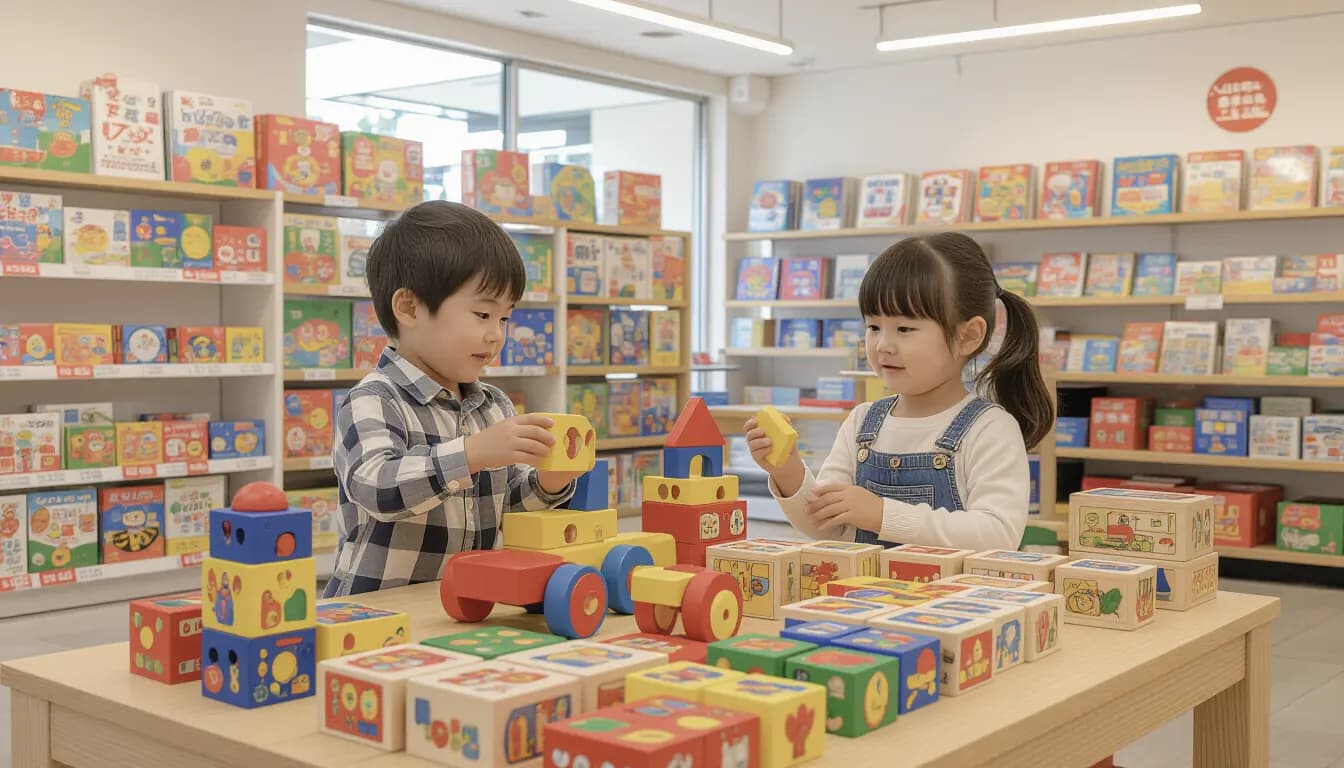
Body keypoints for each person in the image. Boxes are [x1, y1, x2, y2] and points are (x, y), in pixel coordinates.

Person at [323, 201, 584, 596]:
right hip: (374, 611)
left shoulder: (494, 405)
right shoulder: (374, 399)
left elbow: (509, 507)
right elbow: (377, 488)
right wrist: (471, 453)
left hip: (462, 606)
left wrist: (549, 482)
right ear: (409, 307)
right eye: (482, 314)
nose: (496, 333)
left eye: (505, 318)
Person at [744, 232, 1052, 551]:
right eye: (874, 327)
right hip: (868, 596)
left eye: (904, 329)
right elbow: (827, 525)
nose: (883, 346)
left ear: (968, 336)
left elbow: (997, 535)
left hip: (952, 599)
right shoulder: (863, 422)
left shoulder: (990, 429)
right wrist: (787, 472)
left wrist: (881, 514)